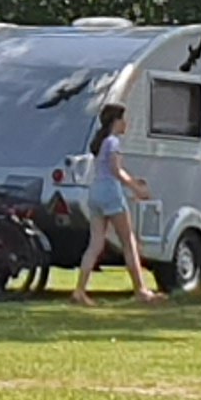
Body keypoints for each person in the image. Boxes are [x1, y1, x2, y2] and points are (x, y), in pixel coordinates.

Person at [73, 101, 163, 305]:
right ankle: (141, 290)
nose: (126, 123)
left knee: (95, 244)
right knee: (128, 242)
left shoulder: (100, 141)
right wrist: (136, 187)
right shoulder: (113, 142)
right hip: (111, 193)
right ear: (116, 121)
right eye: (123, 119)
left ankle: (79, 290)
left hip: (95, 192)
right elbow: (116, 170)